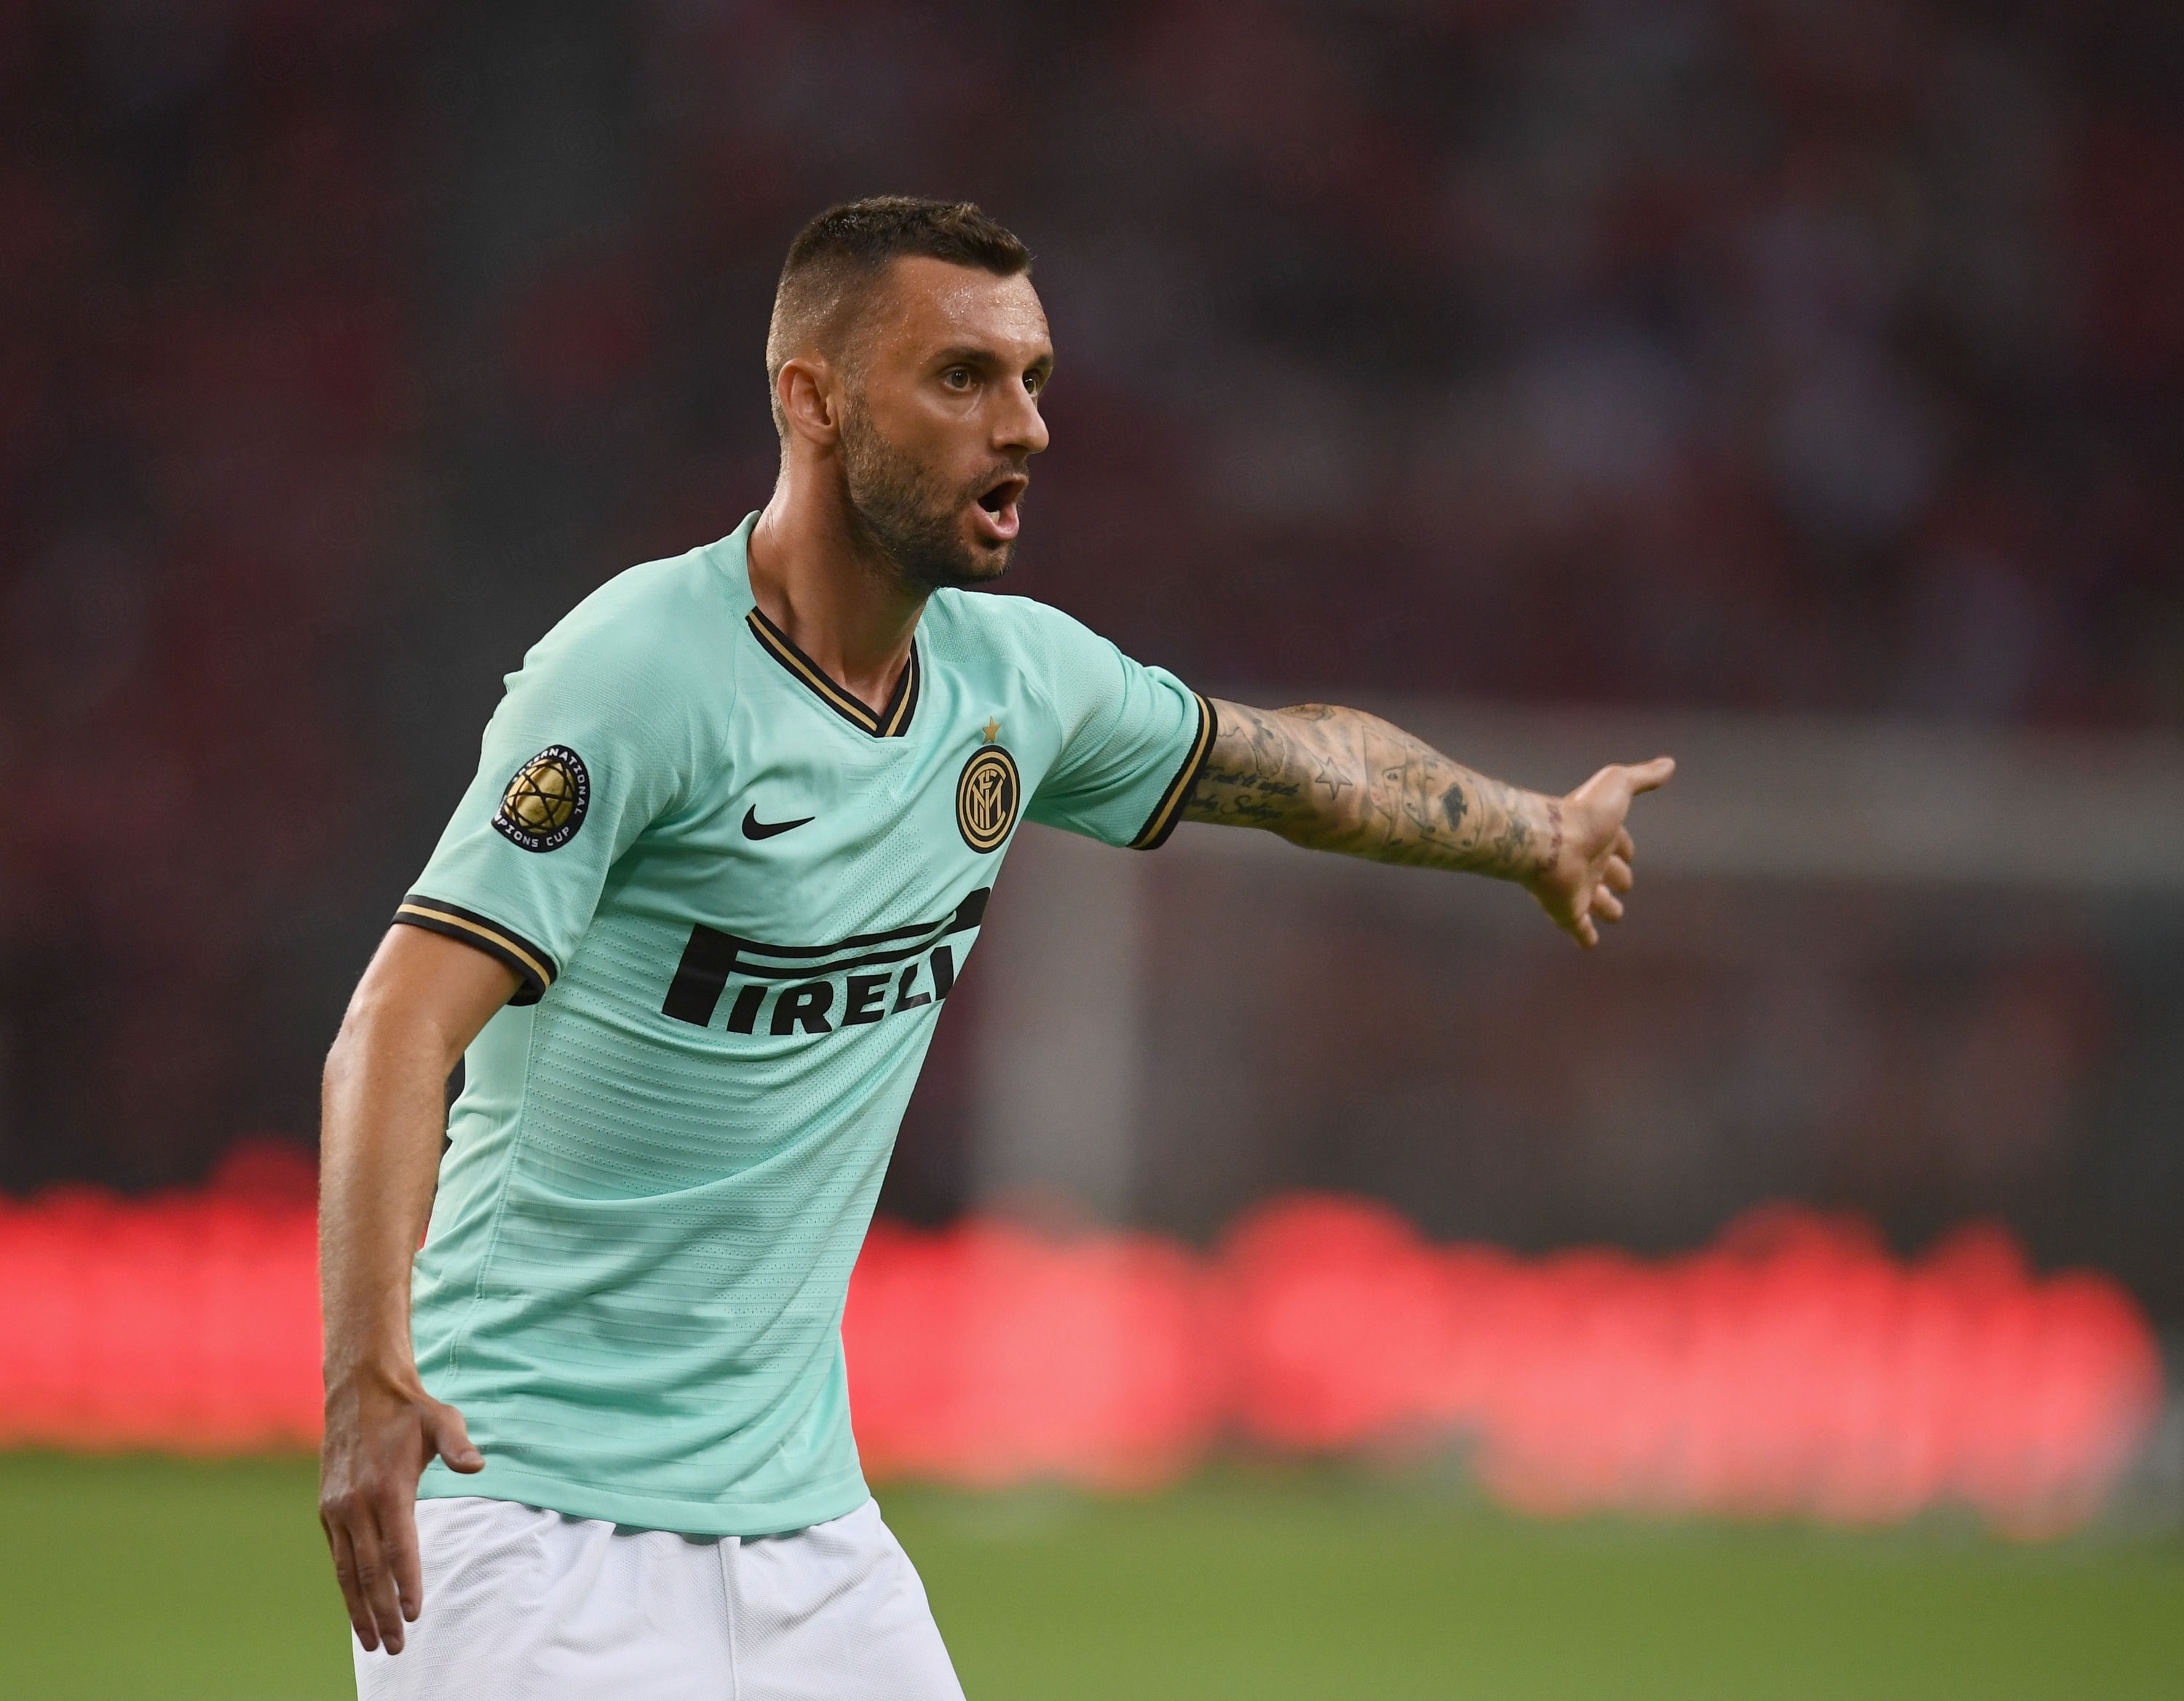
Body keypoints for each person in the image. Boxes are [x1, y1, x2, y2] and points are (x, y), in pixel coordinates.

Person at [317, 195, 1674, 1698]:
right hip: (527, 1514)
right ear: (814, 401)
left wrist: (1536, 832)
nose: (1022, 425)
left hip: (808, 1534)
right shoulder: (637, 672)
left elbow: (1303, 773)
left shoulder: (1020, 684)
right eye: (961, 377)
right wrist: (368, 1378)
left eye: (1033, 379)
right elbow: (396, 1024)